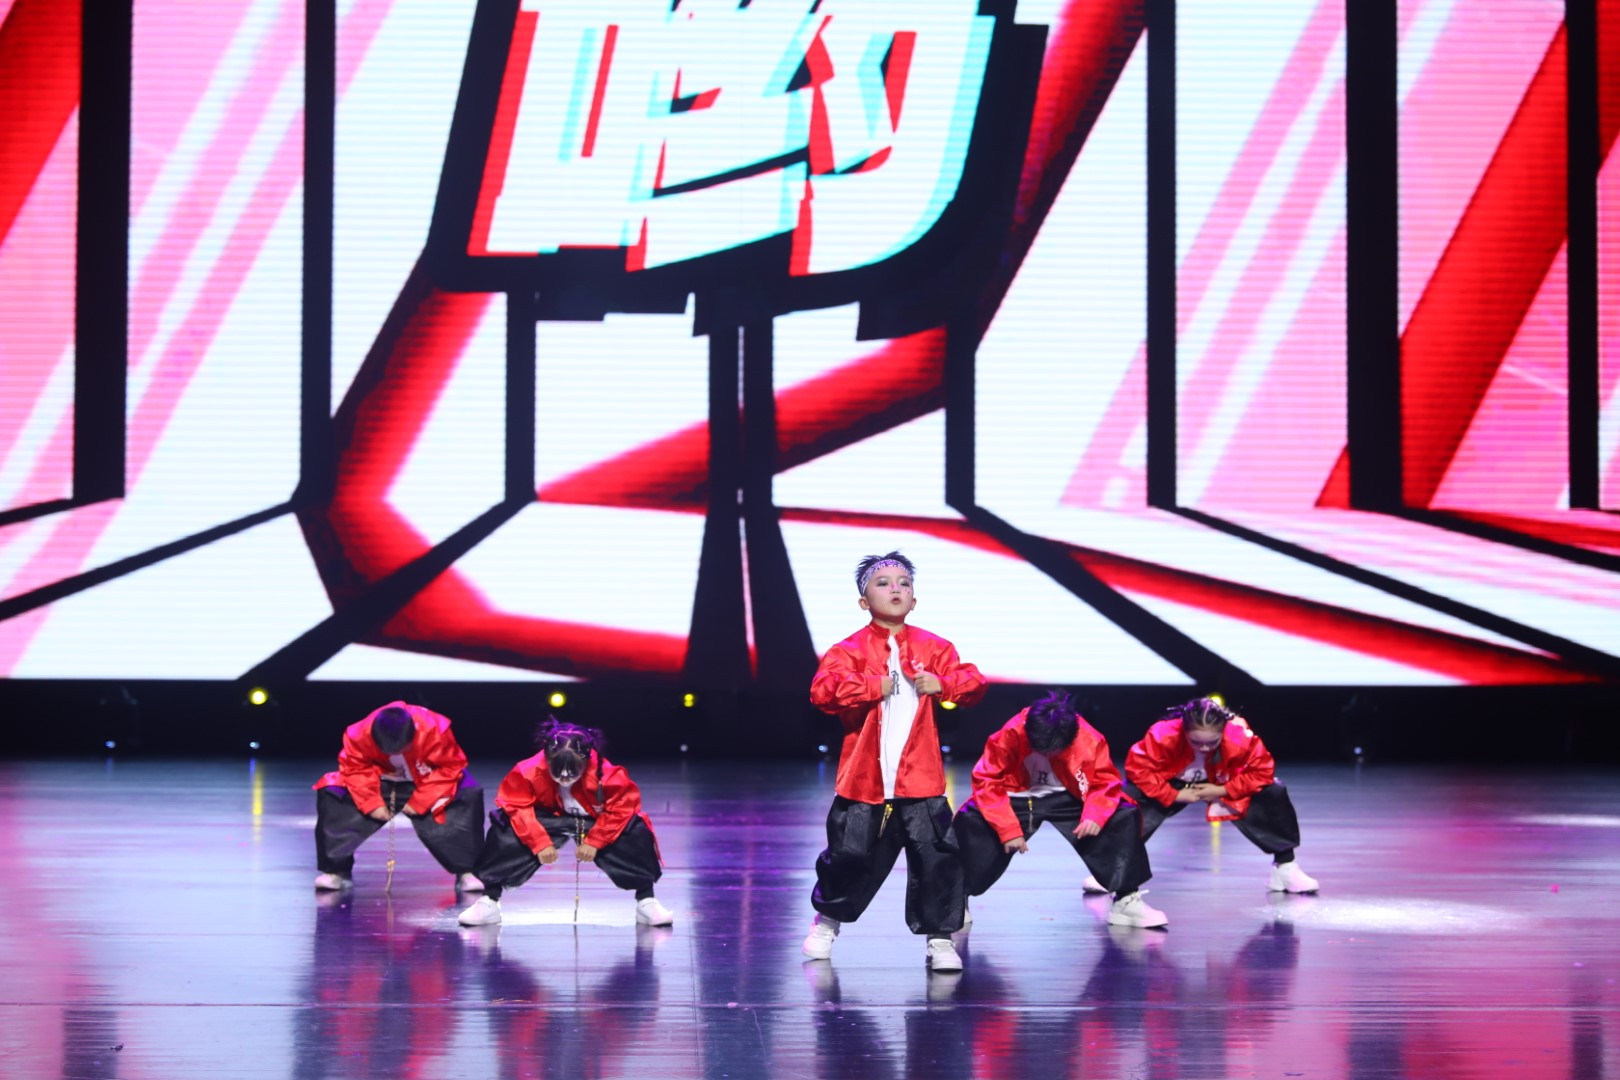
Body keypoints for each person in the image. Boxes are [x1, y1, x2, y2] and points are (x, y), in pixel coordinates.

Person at [802, 551, 987, 972]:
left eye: (904, 583)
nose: (896, 589)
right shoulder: (848, 649)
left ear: (914, 599)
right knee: (848, 856)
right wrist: (872, 685)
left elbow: (973, 682)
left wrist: (944, 684)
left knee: (937, 858)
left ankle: (940, 938)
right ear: (863, 601)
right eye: (883, 583)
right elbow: (822, 692)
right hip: (864, 780)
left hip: (921, 780)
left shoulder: (934, 647)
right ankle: (827, 923)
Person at [954, 690, 1167, 928]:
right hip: (1016, 794)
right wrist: (1007, 829)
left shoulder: (1088, 739)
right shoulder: (1010, 733)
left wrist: (1095, 815)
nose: (1046, 755)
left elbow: (1104, 781)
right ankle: (956, 899)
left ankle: (1126, 900)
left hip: (1070, 794)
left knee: (1122, 815)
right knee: (971, 820)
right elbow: (986, 779)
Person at [457, 718, 673, 927]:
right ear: (547, 760)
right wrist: (539, 843)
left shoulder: (607, 775)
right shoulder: (527, 771)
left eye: (572, 772)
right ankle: (489, 901)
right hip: (548, 818)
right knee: (505, 828)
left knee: (634, 830)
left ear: (585, 761)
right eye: (557, 771)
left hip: (594, 821)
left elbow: (622, 809)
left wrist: (595, 842)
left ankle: (647, 901)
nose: (564, 777)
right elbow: (516, 806)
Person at [1124, 697, 1319, 893]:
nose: (1204, 748)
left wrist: (1222, 790)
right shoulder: (1162, 734)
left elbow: (1263, 771)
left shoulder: (1239, 735)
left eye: (1212, 742)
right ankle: (1119, 880)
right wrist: (1173, 794)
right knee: (1127, 800)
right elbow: (1137, 768)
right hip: (1170, 783)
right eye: (1196, 742)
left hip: (1221, 781)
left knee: (1272, 791)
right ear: (1184, 731)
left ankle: (1285, 867)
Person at [313, 701, 485, 891]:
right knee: (334, 793)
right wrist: (371, 803)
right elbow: (354, 768)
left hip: (428, 781)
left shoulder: (434, 729)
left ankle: (468, 871)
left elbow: (450, 767)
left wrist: (420, 801)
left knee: (467, 794)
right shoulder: (359, 734)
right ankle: (336, 871)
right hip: (379, 781)